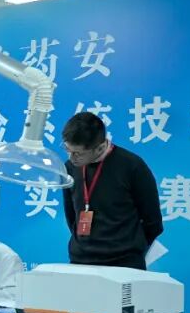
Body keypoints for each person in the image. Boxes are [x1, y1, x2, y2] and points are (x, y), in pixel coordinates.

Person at [62, 112, 163, 270]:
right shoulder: (70, 168)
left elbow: (153, 222)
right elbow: (71, 215)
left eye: (77, 153)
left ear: (100, 147)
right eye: (67, 149)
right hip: (80, 261)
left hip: (124, 264)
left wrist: (129, 248)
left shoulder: (132, 166)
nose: (71, 157)